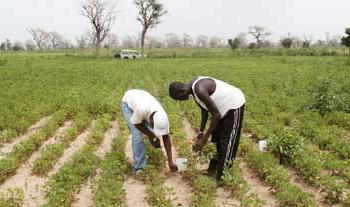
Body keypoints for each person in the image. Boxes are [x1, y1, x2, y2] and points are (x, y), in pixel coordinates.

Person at [169, 76, 245, 180]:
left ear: (182, 91)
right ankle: (212, 171)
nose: (180, 101)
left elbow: (216, 115)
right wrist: (201, 132)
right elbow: (204, 110)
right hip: (220, 109)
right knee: (215, 139)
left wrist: (204, 140)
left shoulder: (199, 89)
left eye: (178, 98)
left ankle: (223, 177)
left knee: (227, 141)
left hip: (233, 104)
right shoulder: (191, 91)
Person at [122, 89, 178, 173]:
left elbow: (166, 138)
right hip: (128, 102)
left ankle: (151, 156)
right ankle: (139, 167)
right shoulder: (141, 109)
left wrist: (170, 162)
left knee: (151, 132)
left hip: (143, 99)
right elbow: (136, 124)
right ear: (151, 120)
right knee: (137, 134)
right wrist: (152, 136)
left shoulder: (163, 117)